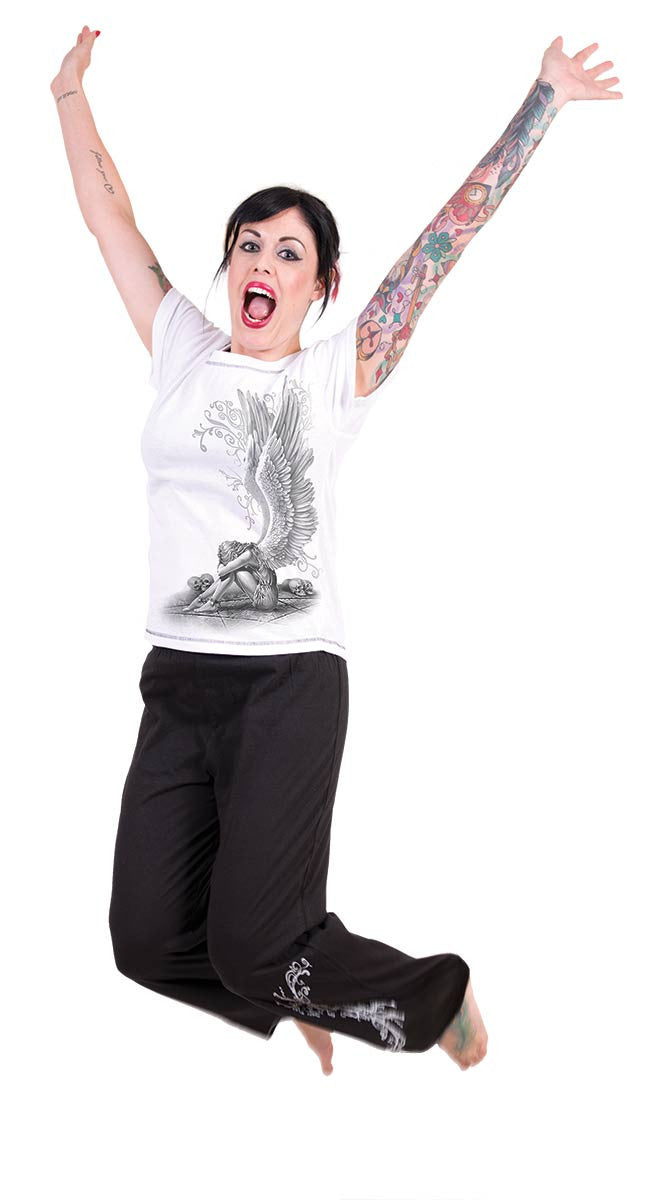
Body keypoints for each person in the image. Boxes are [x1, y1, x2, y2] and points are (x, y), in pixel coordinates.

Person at [50, 26, 622, 1075]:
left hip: (287, 684)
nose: (262, 263)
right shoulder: (181, 345)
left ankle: (421, 996)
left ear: (320, 285)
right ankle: (293, 977)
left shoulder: (331, 376)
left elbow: (449, 238)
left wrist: (542, 99)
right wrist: (67, 91)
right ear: (228, 265)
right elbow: (108, 217)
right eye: (249, 245)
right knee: (145, 942)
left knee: (251, 942)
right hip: (176, 680)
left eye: (289, 253)